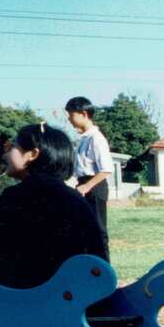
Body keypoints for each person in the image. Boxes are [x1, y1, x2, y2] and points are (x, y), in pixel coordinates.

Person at [0, 122, 107, 291]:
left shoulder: (15, 196)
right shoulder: (74, 197)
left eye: (13, 147)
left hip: (25, 299)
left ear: (32, 154)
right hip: (75, 298)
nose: (6, 154)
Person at [65, 96, 112, 254]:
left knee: (99, 231)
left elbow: (106, 169)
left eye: (71, 114)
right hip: (83, 185)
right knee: (84, 231)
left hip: (95, 187)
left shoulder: (96, 139)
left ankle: (105, 270)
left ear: (84, 114)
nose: (69, 118)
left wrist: (87, 186)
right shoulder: (83, 139)